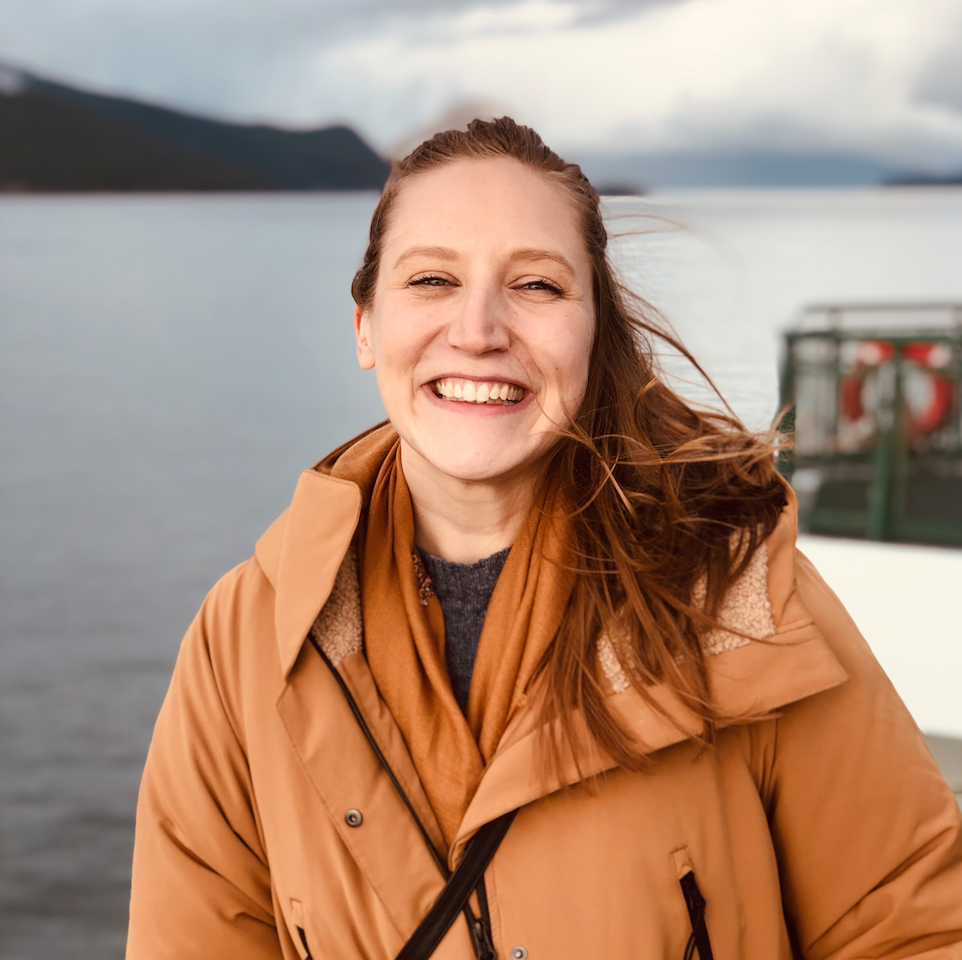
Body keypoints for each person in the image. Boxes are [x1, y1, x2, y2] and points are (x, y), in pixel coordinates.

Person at [126, 118, 962, 960]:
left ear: (594, 334)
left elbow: (914, 928)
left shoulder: (735, 600)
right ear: (365, 326)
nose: (479, 329)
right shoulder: (246, 636)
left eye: (536, 286)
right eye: (431, 280)